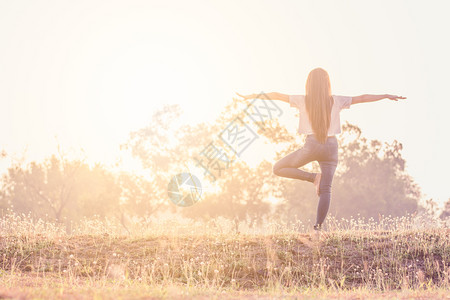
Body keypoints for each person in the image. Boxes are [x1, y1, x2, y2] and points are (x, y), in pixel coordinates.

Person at [235, 67, 406, 231]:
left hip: (312, 145)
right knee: (326, 189)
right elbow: (361, 97)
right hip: (331, 148)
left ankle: (313, 178)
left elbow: (277, 95)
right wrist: (385, 96)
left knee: (278, 168)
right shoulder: (337, 100)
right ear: (328, 84)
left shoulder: (302, 100)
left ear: (309, 84)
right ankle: (318, 227)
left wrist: (252, 96)